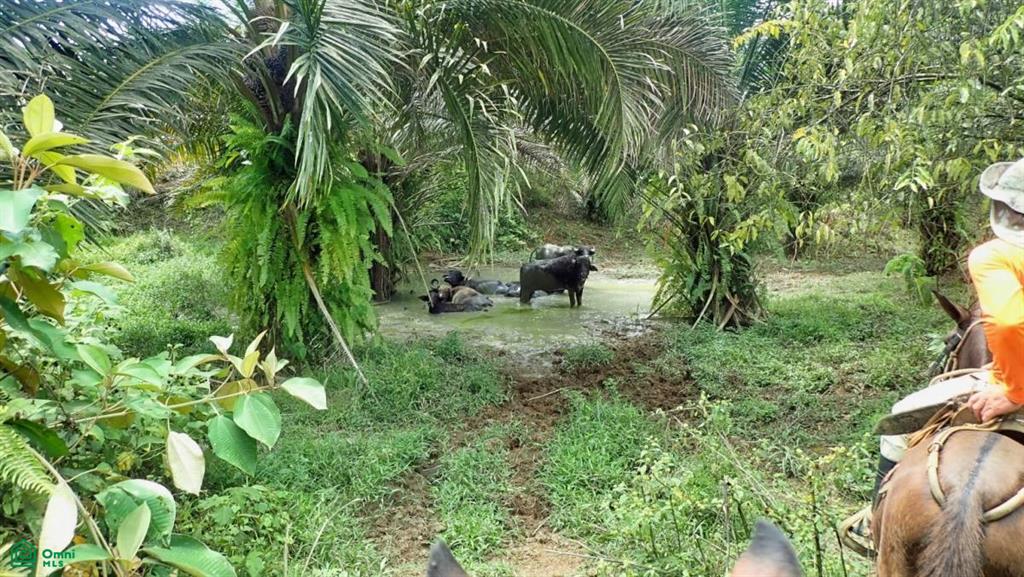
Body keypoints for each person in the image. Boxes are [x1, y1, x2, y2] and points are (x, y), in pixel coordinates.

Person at [842, 157, 1024, 552]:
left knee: (901, 419)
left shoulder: (994, 255)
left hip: (1013, 381)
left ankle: (874, 527)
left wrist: (1014, 389)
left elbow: (1009, 323)